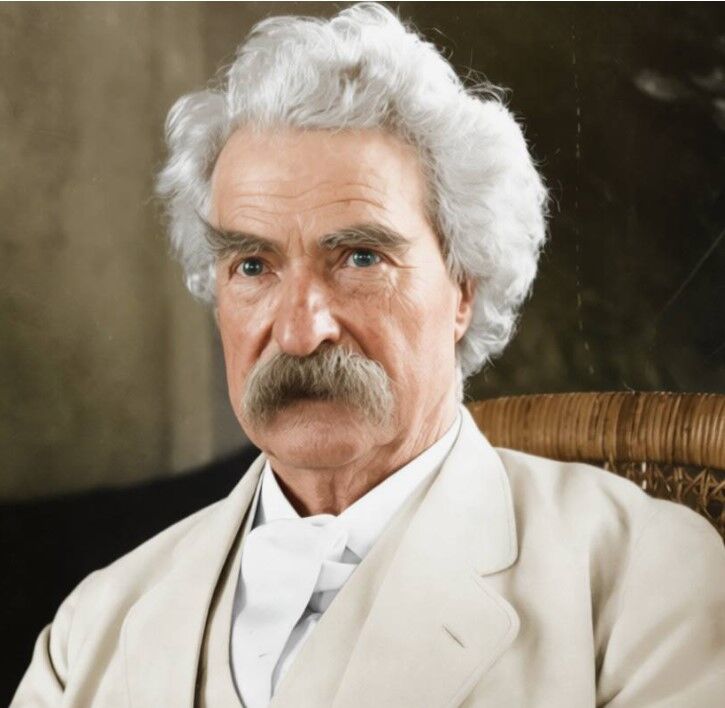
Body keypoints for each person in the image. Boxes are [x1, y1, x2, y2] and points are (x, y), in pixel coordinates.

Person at [13, 3, 725, 706]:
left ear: (464, 288)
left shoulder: (640, 581)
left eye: (359, 257)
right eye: (253, 266)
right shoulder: (92, 630)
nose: (299, 333)